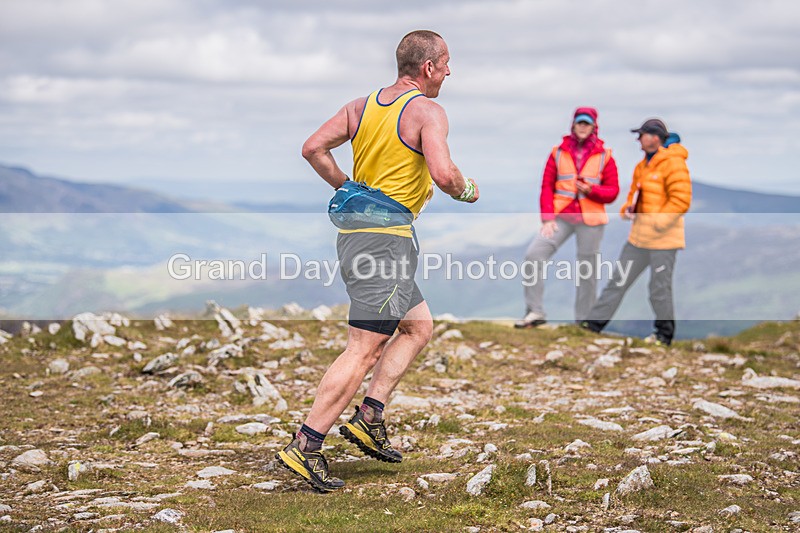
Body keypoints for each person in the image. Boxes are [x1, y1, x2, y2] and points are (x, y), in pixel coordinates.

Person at [277, 30, 479, 492]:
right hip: (385, 245)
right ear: (428, 67)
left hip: (360, 238)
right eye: (446, 63)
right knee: (364, 346)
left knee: (417, 326)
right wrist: (467, 190)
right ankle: (306, 444)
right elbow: (444, 174)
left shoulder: (360, 107)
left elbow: (312, 148)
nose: (449, 71)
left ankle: (370, 415)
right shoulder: (428, 112)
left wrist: (349, 189)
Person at [581, 118, 691, 345]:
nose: (638, 140)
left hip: (664, 241)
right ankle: (591, 326)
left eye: (641, 135)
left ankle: (664, 336)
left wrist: (656, 224)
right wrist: (627, 210)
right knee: (618, 281)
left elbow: (681, 201)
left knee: (658, 289)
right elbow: (632, 197)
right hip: (638, 239)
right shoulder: (643, 166)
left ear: (654, 137)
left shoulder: (673, 163)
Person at [515, 108, 619, 328]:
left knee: (587, 271)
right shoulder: (557, 152)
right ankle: (535, 312)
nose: (582, 127)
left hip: (591, 220)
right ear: (573, 125)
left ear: (594, 127)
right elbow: (546, 187)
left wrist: (592, 191)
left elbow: (613, 192)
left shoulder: (605, 156)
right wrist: (547, 218)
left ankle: (584, 322)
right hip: (560, 217)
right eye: (579, 123)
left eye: (587, 123)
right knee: (534, 255)